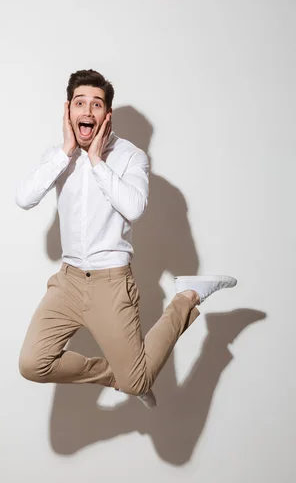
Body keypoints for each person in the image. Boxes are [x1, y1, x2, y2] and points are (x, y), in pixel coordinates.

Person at [15, 69, 237, 409]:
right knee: (32, 364)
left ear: (107, 114)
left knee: (139, 381)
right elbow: (24, 198)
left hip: (111, 284)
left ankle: (186, 298)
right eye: (79, 103)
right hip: (67, 282)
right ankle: (114, 374)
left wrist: (95, 161)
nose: (87, 111)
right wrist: (66, 152)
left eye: (96, 104)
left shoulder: (131, 156)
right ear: (68, 111)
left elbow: (134, 208)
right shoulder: (58, 156)